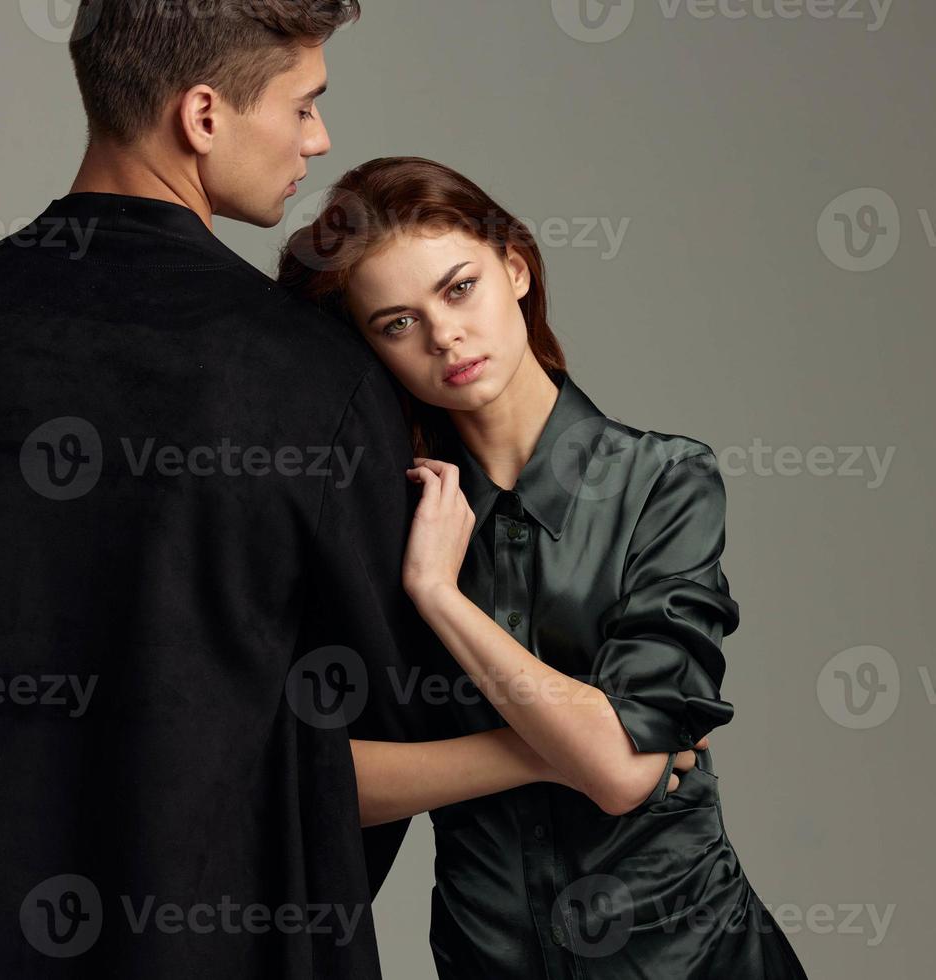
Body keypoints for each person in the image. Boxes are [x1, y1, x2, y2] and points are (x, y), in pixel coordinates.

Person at [0, 3, 468, 976]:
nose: (320, 137)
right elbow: (371, 744)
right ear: (204, 115)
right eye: (304, 105)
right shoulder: (315, 377)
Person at [277, 156, 811, 978]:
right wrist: (566, 744)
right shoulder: (383, 519)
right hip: (491, 957)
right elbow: (319, 776)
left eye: (459, 289)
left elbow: (618, 777)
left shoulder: (663, 481)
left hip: (691, 957)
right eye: (396, 323)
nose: (444, 335)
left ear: (516, 268)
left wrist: (441, 600)